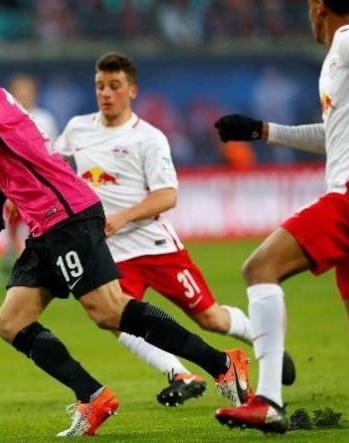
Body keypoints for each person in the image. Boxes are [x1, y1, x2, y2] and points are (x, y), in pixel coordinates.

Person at [0, 36, 251, 437]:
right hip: (45, 224)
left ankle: (222, 365)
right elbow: (15, 152)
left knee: (109, 311)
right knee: (12, 322)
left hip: (66, 215)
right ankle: (93, 396)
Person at [213, 0, 349, 434]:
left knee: (259, 268)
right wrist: (263, 131)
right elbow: (333, 136)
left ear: (318, 6)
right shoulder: (341, 56)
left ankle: (268, 401)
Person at [54, 52, 295, 408]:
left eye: (114, 86)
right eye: (100, 86)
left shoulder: (148, 138)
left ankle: (260, 340)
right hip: (111, 251)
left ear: (132, 91)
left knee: (210, 318)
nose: (105, 93)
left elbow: (168, 195)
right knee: (115, 319)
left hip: (154, 246)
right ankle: (178, 373)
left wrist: (122, 217)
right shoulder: (78, 128)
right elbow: (54, 165)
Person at [0, 74, 60, 283]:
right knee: (12, 224)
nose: (24, 95)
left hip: (40, 184)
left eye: (27, 91)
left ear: (34, 93)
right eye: (19, 91)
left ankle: (41, 264)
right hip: (15, 183)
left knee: (42, 226)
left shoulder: (45, 119)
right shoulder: (4, 116)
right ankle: (9, 260)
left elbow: (53, 151)